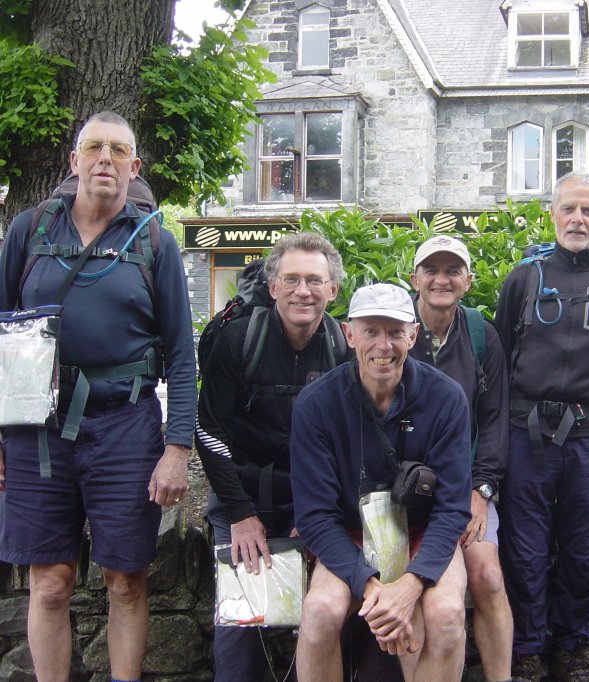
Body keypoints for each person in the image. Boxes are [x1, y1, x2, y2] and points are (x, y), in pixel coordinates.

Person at [0, 111, 196, 681]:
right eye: (94, 148)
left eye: (118, 150)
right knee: (50, 583)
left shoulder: (155, 241)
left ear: (134, 167)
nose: (105, 159)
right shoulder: (29, 231)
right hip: (37, 430)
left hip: (125, 425)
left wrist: (177, 447)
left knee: (126, 580)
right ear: (75, 161)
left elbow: (182, 354)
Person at [494, 171, 589, 682]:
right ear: (552, 214)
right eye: (569, 209)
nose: (578, 219)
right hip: (527, 435)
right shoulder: (522, 280)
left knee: (582, 549)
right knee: (525, 549)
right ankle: (528, 650)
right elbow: (501, 363)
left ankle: (572, 649)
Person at [290, 283, 472, 682]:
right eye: (370, 331)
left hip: (423, 531)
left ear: (413, 335)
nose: (383, 345)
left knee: (446, 616)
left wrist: (410, 586)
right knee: (320, 612)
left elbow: (452, 509)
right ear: (349, 334)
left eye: (395, 332)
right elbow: (315, 516)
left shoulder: (447, 398)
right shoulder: (316, 403)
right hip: (350, 533)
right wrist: (372, 588)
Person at [195, 231, 350, 680]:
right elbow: (208, 430)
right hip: (241, 495)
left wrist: (316, 514)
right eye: (292, 279)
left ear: (332, 290)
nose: (304, 291)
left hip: (312, 501)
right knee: (241, 623)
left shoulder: (342, 347)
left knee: (329, 613)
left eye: (315, 281)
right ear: (274, 286)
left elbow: (346, 443)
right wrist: (240, 514)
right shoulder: (238, 340)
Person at [408, 235, 513, 682]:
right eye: (431, 270)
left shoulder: (480, 334)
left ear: (468, 281)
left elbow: (494, 419)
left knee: (488, 576)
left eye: (452, 271)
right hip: (404, 492)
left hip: (466, 485)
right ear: (414, 279)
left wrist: (481, 490)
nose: (441, 279)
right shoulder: (395, 329)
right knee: (415, 589)